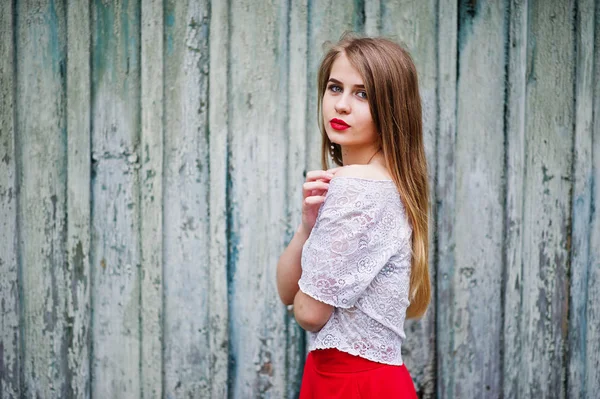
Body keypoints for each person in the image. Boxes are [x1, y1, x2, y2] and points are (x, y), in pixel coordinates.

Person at [276, 34, 430, 398]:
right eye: (335, 88)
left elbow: (309, 312)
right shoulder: (388, 182)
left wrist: (305, 293)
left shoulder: (357, 186)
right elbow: (287, 292)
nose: (341, 105)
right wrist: (307, 228)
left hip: (350, 385)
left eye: (362, 94)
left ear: (393, 108)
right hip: (362, 380)